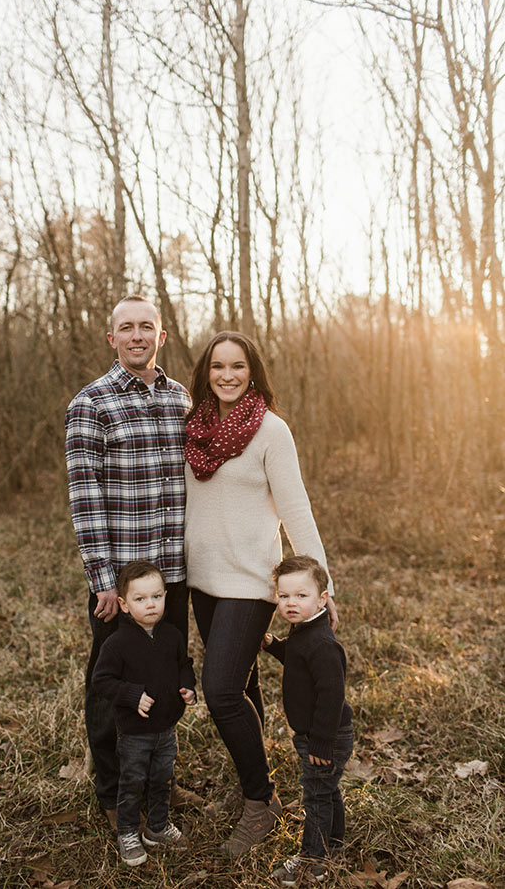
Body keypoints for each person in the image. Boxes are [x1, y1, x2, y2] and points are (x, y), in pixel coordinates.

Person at [183, 330, 337, 858]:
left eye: (238, 366)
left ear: (253, 372)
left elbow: (296, 509)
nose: (227, 375)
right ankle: (251, 779)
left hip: (250, 582)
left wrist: (322, 583)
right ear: (206, 371)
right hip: (201, 580)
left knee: (220, 690)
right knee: (243, 689)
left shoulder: (271, 431)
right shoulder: (194, 427)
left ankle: (261, 801)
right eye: (218, 366)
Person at [65, 294, 200, 828]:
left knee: (166, 675)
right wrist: (103, 582)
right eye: (127, 328)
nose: (138, 336)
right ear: (112, 338)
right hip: (120, 584)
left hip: (173, 576)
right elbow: (85, 498)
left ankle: (157, 776)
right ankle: (112, 788)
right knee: (112, 681)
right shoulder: (90, 404)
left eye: (147, 327)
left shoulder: (181, 399)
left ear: (161, 336)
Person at [92, 560, 197, 867]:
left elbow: (183, 664)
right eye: (140, 599)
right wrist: (132, 695)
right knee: (133, 779)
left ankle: (158, 826)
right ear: (124, 605)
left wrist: (187, 686)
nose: (150, 605)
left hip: (166, 729)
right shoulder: (117, 644)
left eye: (156, 597)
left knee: (162, 778)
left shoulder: (172, 636)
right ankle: (127, 831)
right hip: (134, 732)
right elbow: (102, 681)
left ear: (165, 595)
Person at [262, 554, 353, 885]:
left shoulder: (323, 644)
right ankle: (335, 845)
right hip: (318, 735)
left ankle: (312, 862)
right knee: (326, 790)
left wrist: (321, 741)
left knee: (315, 794)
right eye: (283, 596)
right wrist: (273, 645)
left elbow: (331, 695)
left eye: (301, 596)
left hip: (325, 735)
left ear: (322, 599)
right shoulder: (303, 631)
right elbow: (296, 659)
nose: (290, 603)